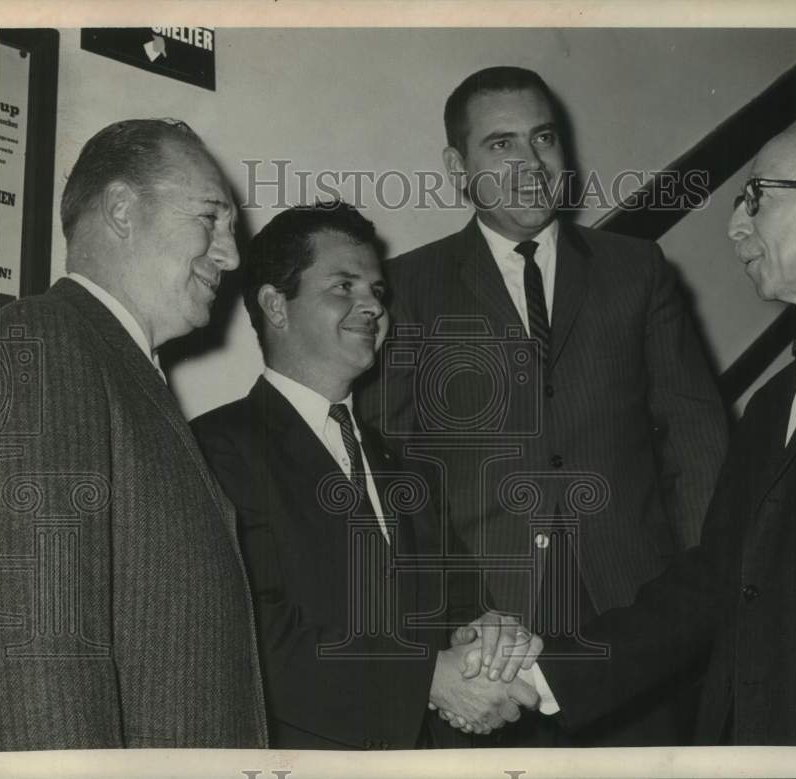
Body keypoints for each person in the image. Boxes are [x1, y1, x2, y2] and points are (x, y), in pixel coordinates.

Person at [532, 122, 796, 746]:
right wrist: (542, 677)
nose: (734, 227)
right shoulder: (773, 401)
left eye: (757, 198)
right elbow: (716, 579)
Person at [358, 66, 728, 746]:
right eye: (500, 145)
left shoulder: (637, 268)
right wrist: (442, 622)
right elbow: (390, 470)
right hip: (487, 643)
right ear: (457, 165)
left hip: (633, 630)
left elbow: (696, 439)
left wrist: (698, 595)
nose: (530, 162)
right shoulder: (407, 288)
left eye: (544, 137)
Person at [190, 202, 542, 750]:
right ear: (274, 305)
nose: (371, 307)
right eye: (343, 286)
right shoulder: (214, 450)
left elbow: (461, 604)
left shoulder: (407, 466)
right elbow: (247, 634)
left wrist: (486, 633)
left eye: (377, 292)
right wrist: (426, 679)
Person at [0, 119, 267, 749]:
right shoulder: (48, 340)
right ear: (121, 209)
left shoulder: (121, 368)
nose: (230, 254)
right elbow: (44, 642)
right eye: (210, 218)